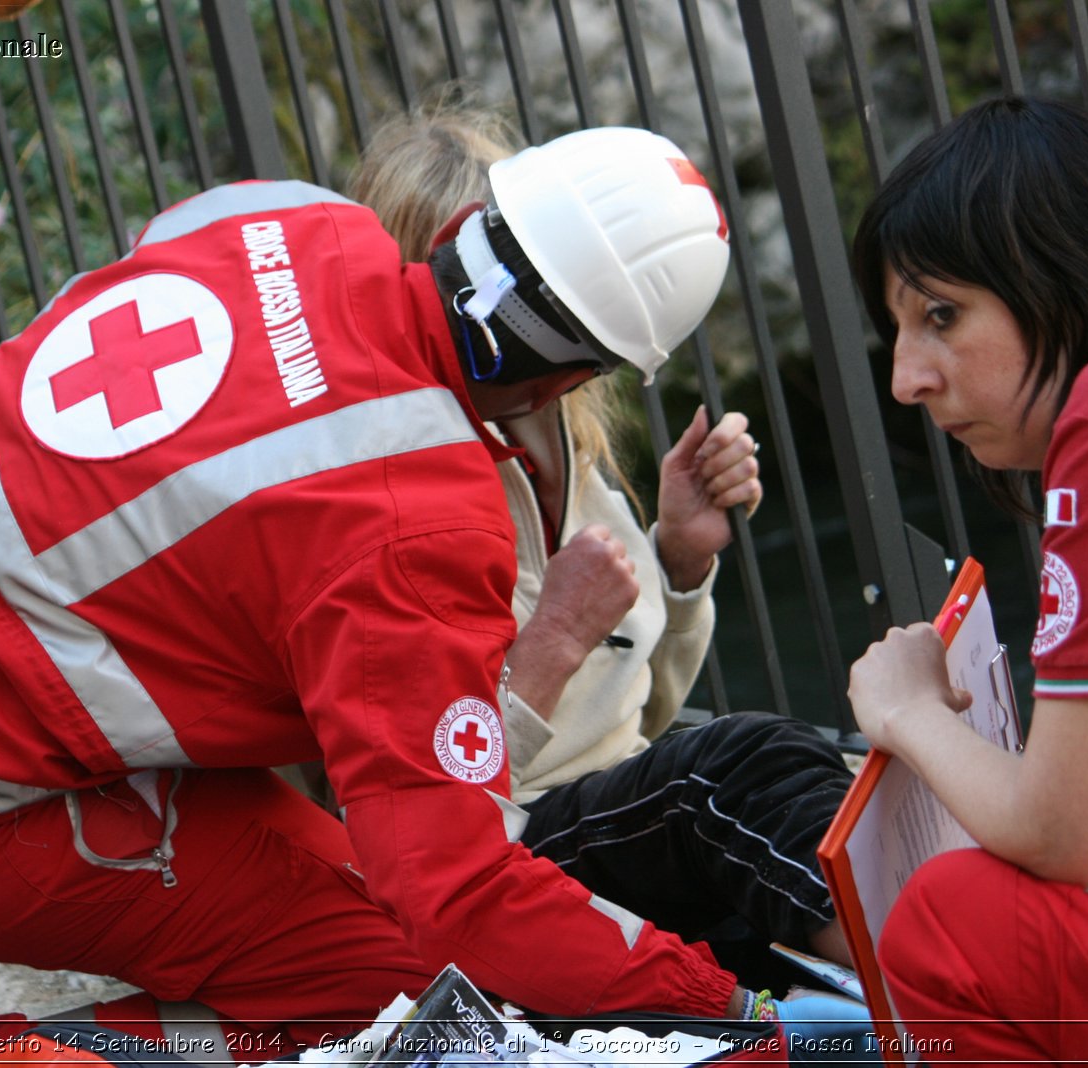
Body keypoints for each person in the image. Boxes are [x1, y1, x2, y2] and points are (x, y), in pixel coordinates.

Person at [0, 125, 852, 1067]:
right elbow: (457, 887)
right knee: (410, 990)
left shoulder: (273, 213)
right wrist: (734, 1020)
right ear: (574, 376)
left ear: (458, 229)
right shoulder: (422, 523)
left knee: (352, 922)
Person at [344, 102, 857, 978]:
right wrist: (551, 644)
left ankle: (956, 973)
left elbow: (641, 720)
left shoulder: (563, 436)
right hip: (494, 849)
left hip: (615, 810)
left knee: (819, 791)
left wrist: (681, 562)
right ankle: (965, 1001)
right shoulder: (380, 487)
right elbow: (413, 806)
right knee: (747, 766)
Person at [848, 95, 1088, 1062]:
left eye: (942, 315)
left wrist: (908, 712)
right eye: (899, 328)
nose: (906, 378)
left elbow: (1060, 830)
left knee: (955, 920)